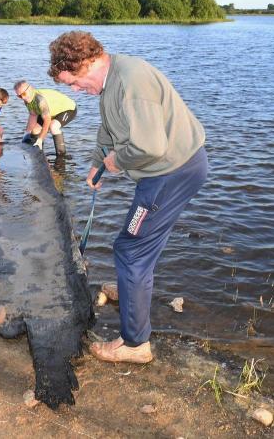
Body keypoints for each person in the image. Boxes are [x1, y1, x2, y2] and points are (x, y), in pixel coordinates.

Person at [48, 31, 208, 364]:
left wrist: (115, 162)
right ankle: (132, 291)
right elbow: (109, 130)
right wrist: (96, 163)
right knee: (140, 246)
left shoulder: (131, 82)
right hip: (165, 171)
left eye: (75, 81)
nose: (76, 90)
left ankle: (135, 344)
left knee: (130, 249)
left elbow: (150, 147)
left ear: (90, 61)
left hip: (170, 172)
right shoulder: (111, 80)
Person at [14, 80, 76, 155]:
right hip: (49, 111)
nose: (23, 97)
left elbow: (47, 122)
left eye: (24, 93)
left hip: (68, 109)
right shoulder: (27, 99)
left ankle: (61, 155)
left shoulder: (40, 100)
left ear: (30, 88)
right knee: (35, 130)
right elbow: (33, 115)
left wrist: (40, 138)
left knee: (53, 126)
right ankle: (38, 152)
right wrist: (26, 134)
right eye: (19, 96)